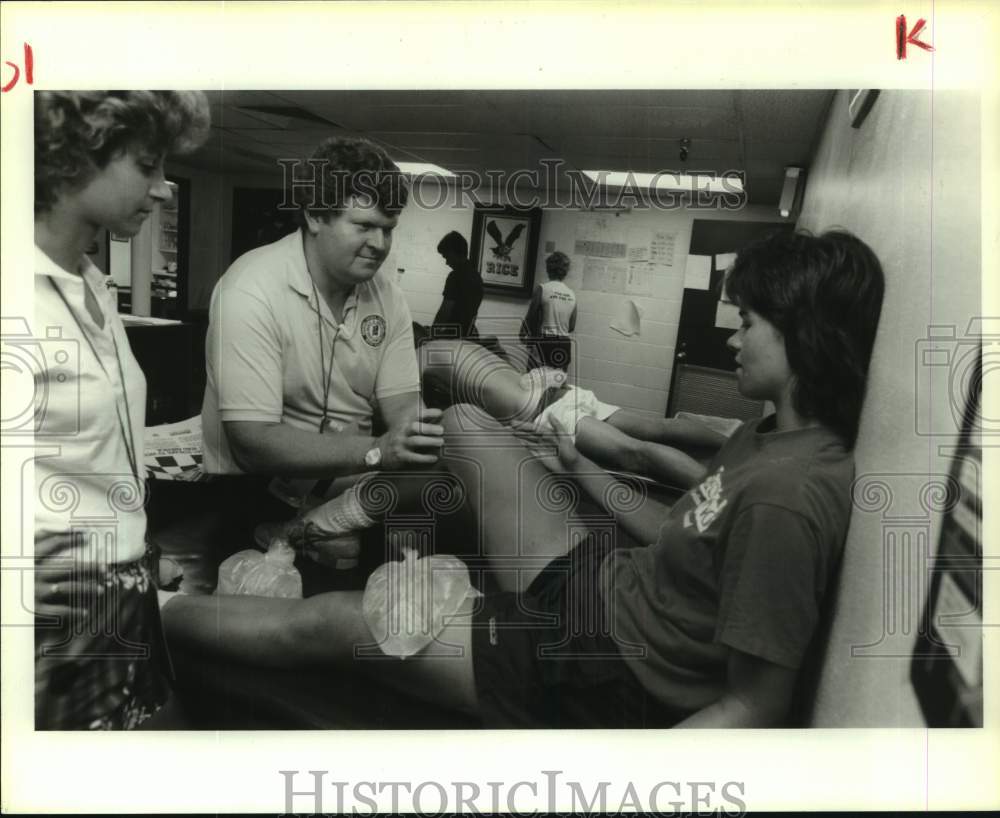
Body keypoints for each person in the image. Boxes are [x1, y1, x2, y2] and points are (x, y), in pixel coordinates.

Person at [161, 228, 884, 729]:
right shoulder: (766, 435)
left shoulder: (790, 496)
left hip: (595, 665)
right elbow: (675, 528)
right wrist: (581, 470)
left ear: (802, 335)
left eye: (749, 321)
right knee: (471, 429)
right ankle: (327, 520)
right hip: (607, 580)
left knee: (334, 624)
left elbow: (756, 706)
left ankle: (159, 609)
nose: (733, 335)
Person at [33, 90, 210, 729]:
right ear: (73, 156)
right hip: (54, 618)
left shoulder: (91, 284)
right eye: (147, 165)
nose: (164, 189)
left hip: (122, 588)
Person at [200, 136, 446, 561]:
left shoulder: (387, 296)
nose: (380, 244)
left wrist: (409, 440)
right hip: (254, 488)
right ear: (315, 215)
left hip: (344, 477)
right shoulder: (251, 290)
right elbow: (252, 443)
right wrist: (376, 452)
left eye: (388, 229)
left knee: (447, 480)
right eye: (364, 226)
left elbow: (401, 402)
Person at [418, 340, 727, 489]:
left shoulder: (419, 358)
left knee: (635, 454)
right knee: (655, 426)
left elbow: (416, 416)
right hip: (560, 391)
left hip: (550, 411)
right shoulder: (457, 346)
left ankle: (723, 494)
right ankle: (734, 442)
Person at [520, 250, 577, 372]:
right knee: (557, 385)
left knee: (532, 382)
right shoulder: (572, 294)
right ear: (565, 272)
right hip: (564, 344)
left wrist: (521, 334)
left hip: (545, 341)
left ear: (548, 269)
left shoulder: (543, 289)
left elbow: (531, 316)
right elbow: (571, 326)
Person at [430, 231, 483, 339]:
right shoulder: (477, 276)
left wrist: (431, 335)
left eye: (447, 257)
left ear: (454, 252)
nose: (447, 262)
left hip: (451, 336)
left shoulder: (455, 277)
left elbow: (445, 311)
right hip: (468, 334)